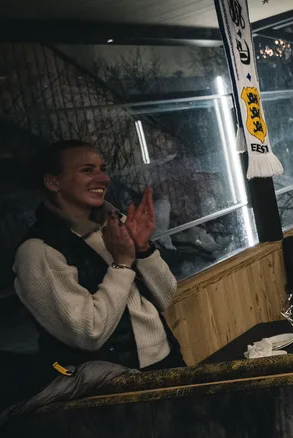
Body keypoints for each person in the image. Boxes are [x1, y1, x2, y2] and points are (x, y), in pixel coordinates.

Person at [14, 140, 183, 371]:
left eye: (103, 169)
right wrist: (122, 265)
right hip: (111, 384)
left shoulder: (115, 223)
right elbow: (89, 333)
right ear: (53, 182)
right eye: (87, 170)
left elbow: (165, 296)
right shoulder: (39, 251)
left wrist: (143, 250)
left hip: (166, 358)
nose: (103, 179)